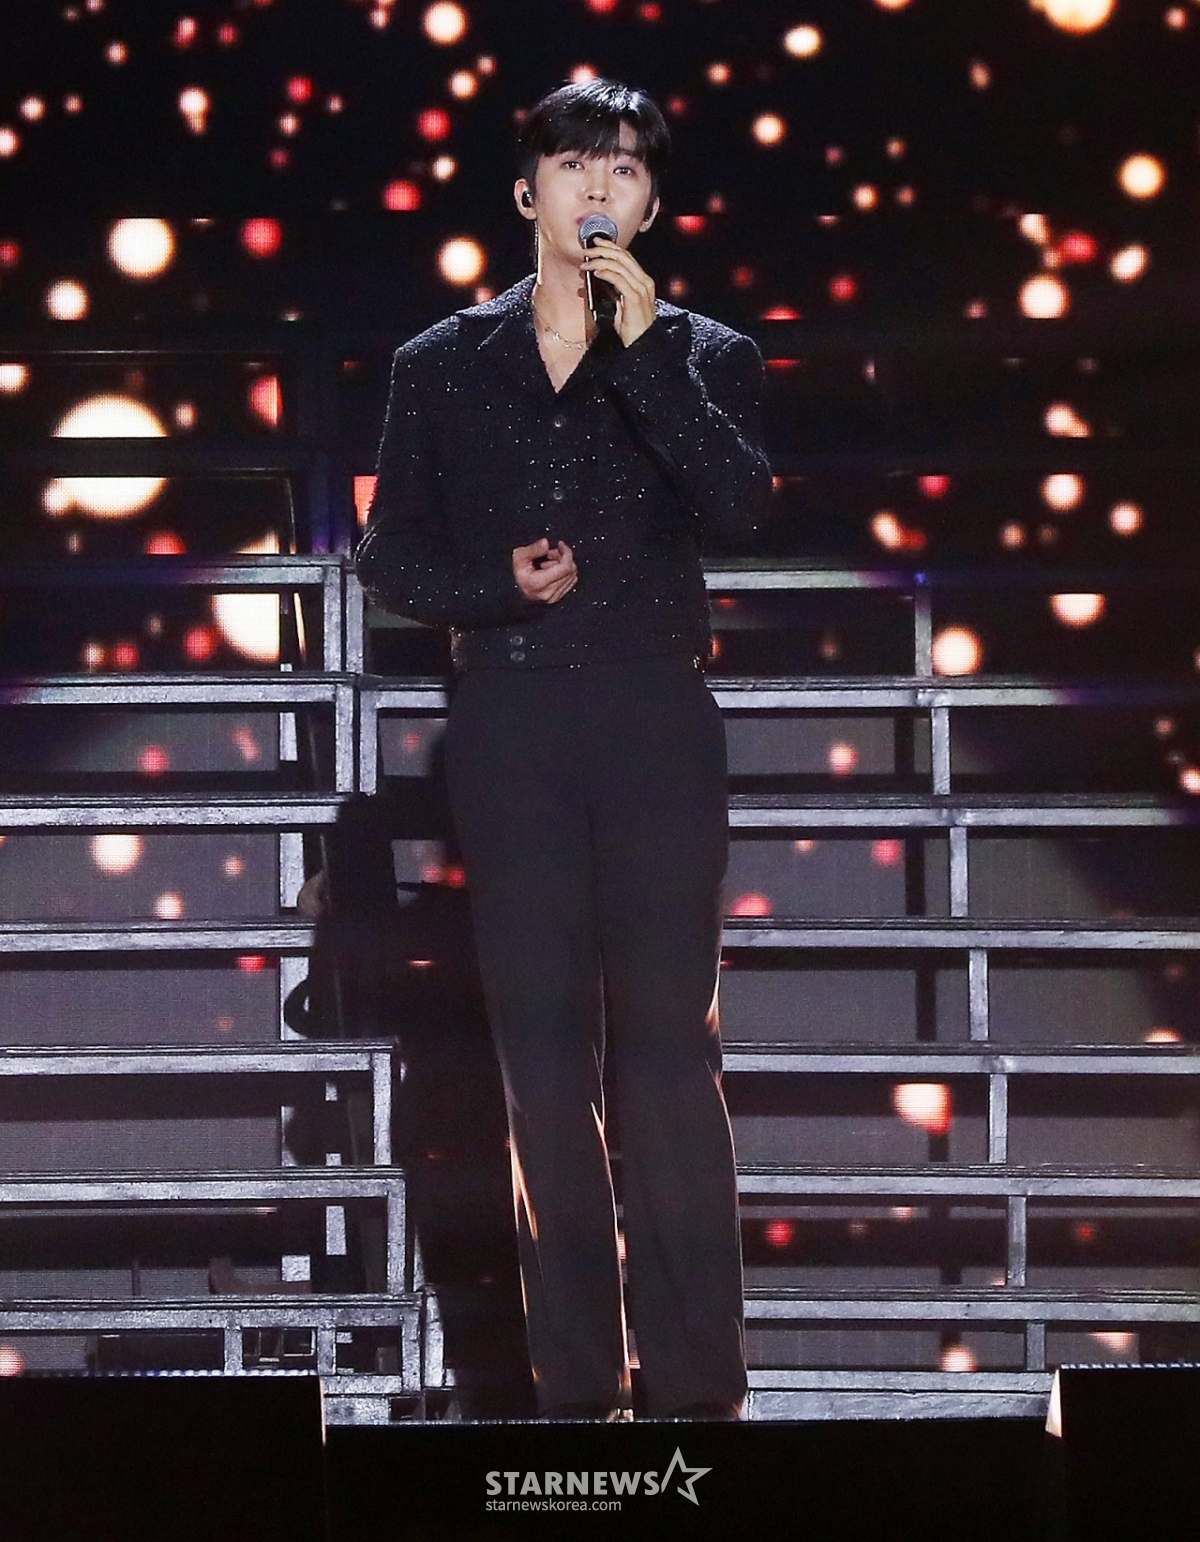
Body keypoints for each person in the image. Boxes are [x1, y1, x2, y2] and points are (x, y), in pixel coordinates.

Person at [356, 77, 772, 1422]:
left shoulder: (705, 353)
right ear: (528, 187)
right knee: (541, 1059)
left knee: (667, 1051)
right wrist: (495, 586)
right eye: (577, 163)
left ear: (651, 204)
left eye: (627, 169)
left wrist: (646, 356)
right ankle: (577, 1392)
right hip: (514, 719)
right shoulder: (440, 362)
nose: (599, 187)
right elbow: (389, 553)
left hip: (654, 715)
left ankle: (699, 1390)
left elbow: (740, 507)